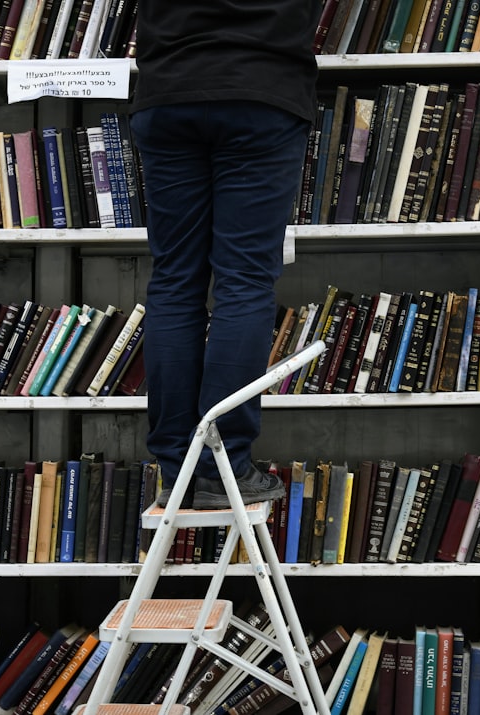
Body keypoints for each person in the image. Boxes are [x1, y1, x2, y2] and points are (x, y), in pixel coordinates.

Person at [129, 0, 322, 510]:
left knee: (173, 281)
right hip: (263, 91)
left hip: (169, 89)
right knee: (245, 282)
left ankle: (179, 469)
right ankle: (223, 465)